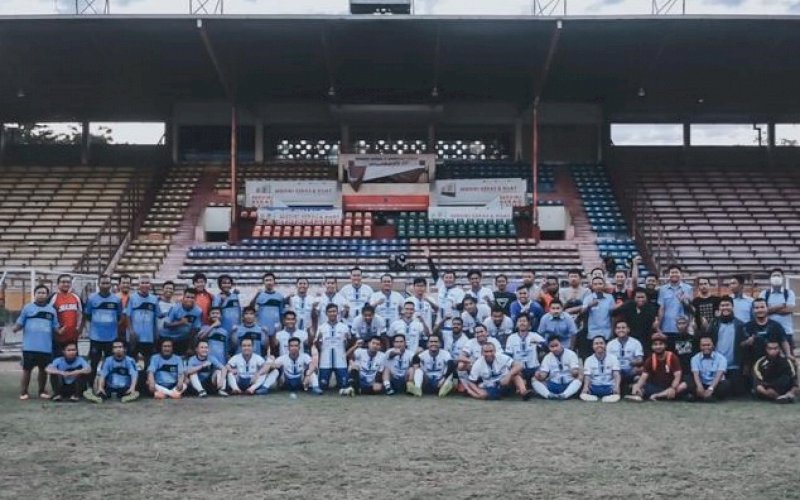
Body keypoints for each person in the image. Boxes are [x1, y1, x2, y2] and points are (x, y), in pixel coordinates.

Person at [14, 284, 60, 400]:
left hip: (45, 347)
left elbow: (55, 328)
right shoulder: (27, 308)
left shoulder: (52, 310)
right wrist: (16, 328)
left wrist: (62, 330)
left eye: (43, 293)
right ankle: (24, 392)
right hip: (29, 346)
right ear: (35, 294)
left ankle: (41, 391)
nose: (41, 295)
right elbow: (20, 323)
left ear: (47, 295)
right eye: (39, 292)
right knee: (27, 370)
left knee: (43, 370)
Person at [706, 297, 747, 396]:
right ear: (719, 308)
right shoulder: (714, 323)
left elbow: (744, 347)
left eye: (727, 305)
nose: (725, 308)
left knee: (738, 392)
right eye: (722, 305)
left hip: (734, 366)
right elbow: (707, 341)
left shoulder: (740, 324)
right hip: (716, 365)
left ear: (732, 307)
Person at [85, 275, 123, 380]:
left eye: (107, 283)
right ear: (98, 284)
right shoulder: (92, 298)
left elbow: (119, 316)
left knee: (110, 363)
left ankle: (107, 387)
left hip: (111, 337)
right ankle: (90, 388)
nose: (105, 285)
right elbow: (88, 315)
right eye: (103, 283)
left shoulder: (116, 300)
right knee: (93, 362)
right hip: (96, 338)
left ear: (110, 285)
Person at [629, 333, 687, 402]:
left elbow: (677, 376)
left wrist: (672, 388)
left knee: (683, 385)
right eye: (655, 344)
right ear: (652, 346)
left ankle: (657, 396)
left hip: (671, 387)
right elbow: (644, 376)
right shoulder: (650, 359)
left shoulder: (672, 357)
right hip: (657, 387)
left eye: (660, 344)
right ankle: (640, 395)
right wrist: (638, 386)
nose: (658, 347)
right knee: (637, 382)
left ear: (665, 345)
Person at [465, 342, 531, 400]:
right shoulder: (478, 364)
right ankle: (471, 392)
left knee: (516, 374)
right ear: (482, 353)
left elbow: (519, 365)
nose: (489, 354)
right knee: (483, 395)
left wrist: (508, 375)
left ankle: (523, 392)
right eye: (486, 352)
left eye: (491, 351)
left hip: (506, 382)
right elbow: (471, 382)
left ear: (495, 351)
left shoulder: (501, 357)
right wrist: (478, 391)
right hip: (491, 386)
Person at [531, 336, 582, 400]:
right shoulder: (547, 357)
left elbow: (575, 372)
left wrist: (574, 371)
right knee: (534, 379)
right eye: (552, 347)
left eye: (556, 345)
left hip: (569, 384)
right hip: (554, 384)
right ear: (548, 347)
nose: (555, 349)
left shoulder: (571, 354)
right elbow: (544, 375)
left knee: (580, 377)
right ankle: (549, 395)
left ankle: (564, 395)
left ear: (561, 344)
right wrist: (539, 375)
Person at [126, 275, 159, 371]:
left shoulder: (154, 299)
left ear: (150, 285)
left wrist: (155, 334)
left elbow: (156, 317)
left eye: (147, 283)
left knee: (148, 364)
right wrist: (131, 331)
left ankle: (145, 384)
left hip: (148, 337)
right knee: (131, 363)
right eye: (142, 283)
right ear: (138, 285)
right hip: (134, 337)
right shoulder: (132, 298)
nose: (145, 285)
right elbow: (128, 316)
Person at [48, 274, 83, 365]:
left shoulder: (76, 297)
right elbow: (47, 315)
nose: (66, 284)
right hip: (58, 338)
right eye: (63, 282)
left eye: (68, 282)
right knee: (57, 363)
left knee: (74, 363)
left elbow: (81, 313)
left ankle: (74, 379)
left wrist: (79, 328)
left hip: (72, 337)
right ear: (58, 284)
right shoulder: (53, 297)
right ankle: (56, 380)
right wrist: (56, 329)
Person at [316, 303, 351, 391]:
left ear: (337, 312)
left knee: (344, 386)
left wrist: (347, 341)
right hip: (325, 361)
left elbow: (347, 344)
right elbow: (318, 346)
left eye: (334, 311)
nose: (332, 313)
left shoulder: (344, 327)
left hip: (340, 361)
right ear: (326, 313)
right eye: (330, 311)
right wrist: (318, 341)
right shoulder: (321, 328)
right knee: (322, 387)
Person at [759, 268, 796, 350]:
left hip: (786, 331)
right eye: (774, 276)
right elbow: (761, 311)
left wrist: (770, 309)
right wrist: (781, 305)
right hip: (768, 331)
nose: (776, 277)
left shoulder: (789, 293)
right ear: (770, 279)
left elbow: (789, 310)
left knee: (788, 358)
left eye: (778, 276)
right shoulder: (764, 294)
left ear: (782, 278)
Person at [504, 315, 546, 386]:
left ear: (529, 324)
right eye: (520, 321)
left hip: (534, 368)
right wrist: (513, 368)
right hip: (519, 369)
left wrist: (539, 343)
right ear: (516, 324)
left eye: (524, 321)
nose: (522, 323)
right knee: (518, 379)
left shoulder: (534, 335)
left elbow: (548, 347)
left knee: (539, 376)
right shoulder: (511, 338)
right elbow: (508, 356)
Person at [579, 276, 615, 356]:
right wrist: (589, 306)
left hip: (607, 332)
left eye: (600, 284)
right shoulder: (588, 298)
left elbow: (612, 316)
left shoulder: (610, 298)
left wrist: (612, 331)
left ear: (604, 285)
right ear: (592, 286)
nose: (598, 286)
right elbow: (582, 313)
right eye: (595, 284)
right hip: (593, 332)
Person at [688, 336, 730, 402]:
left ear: (713, 346)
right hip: (702, 383)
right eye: (703, 345)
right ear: (700, 346)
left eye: (708, 345)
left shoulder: (721, 358)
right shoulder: (694, 358)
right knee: (688, 379)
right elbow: (696, 375)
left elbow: (718, 376)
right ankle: (705, 396)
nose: (706, 347)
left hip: (715, 384)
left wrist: (711, 388)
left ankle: (702, 397)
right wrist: (699, 386)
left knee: (726, 384)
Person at [580, 336, 621, 402]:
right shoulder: (588, 360)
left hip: (609, 387)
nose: (599, 345)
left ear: (605, 345)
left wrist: (617, 386)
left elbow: (616, 374)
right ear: (593, 346)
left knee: (616, 396)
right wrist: (585, 387)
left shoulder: (613, 358)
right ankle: (596, 397)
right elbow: (587, 376)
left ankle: (608, 397)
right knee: (583, 395)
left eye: (601, 343)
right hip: (594, 387)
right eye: (596, 343)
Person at [162, 288, 202, 356]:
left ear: (195, 299)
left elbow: (195, 329)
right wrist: (180, 323)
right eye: (187, 297)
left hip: (182, 339)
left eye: (192, 297)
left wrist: (190, 347)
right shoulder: (175, 308)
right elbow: (165, 325)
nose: (189, 299)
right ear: (183, 297)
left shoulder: (198, 311)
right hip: (168, 338)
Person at [657, 265, 693, 337]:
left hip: (683, 327)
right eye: (672, 272)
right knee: (668, 348)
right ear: (668, 275)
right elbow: (661, 308)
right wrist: (658, 326)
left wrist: (684, 301)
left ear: (681, 274)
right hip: (667, 326)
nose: (674, 274)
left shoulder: (688, 288)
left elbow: (691, 309)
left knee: (682, 347)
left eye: (676, 272)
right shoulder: (662, 289)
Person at [606, 320, 643, 389]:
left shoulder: (636, 342)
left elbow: (640, 359)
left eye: (623, 328)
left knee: (640, 370)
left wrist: (634, 362)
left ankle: (635, 389)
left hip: (630, 369)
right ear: (615, 330)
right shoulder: (610, 344)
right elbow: (607, 360)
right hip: (616, 370)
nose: (621, 330)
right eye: (618, 328)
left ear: (628, 329)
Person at [434, 268, 465, 349]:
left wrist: (456, 306)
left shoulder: (459, 291)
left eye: (450, 278)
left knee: (449, 349)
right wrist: (429, 259)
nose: (448, 280)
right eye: (446, 277)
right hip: (439, 324)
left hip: (451, 326)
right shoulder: (441, 287)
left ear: (455, 279)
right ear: (443, 279)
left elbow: (462, 306)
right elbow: (434, 274)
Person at [251, 272, 285, 337]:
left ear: (274, 282)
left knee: (275, 347)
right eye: (266, 280)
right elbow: (251, 309)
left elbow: (281, 313)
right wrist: (256, 295)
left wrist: (282, 327)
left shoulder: (280, 296)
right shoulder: (259, 295)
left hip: (276, 328)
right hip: (262, 328)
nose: (269, 282)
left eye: (270, 280)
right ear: (263, 282)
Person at [116, 274, 132, 341]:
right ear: (119, 284)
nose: (125, 285)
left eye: (127, 283)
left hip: (130, 330)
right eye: (123, 283)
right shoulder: (114, 298)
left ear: (130, 285)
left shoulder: (134, 298)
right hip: (117, 330)